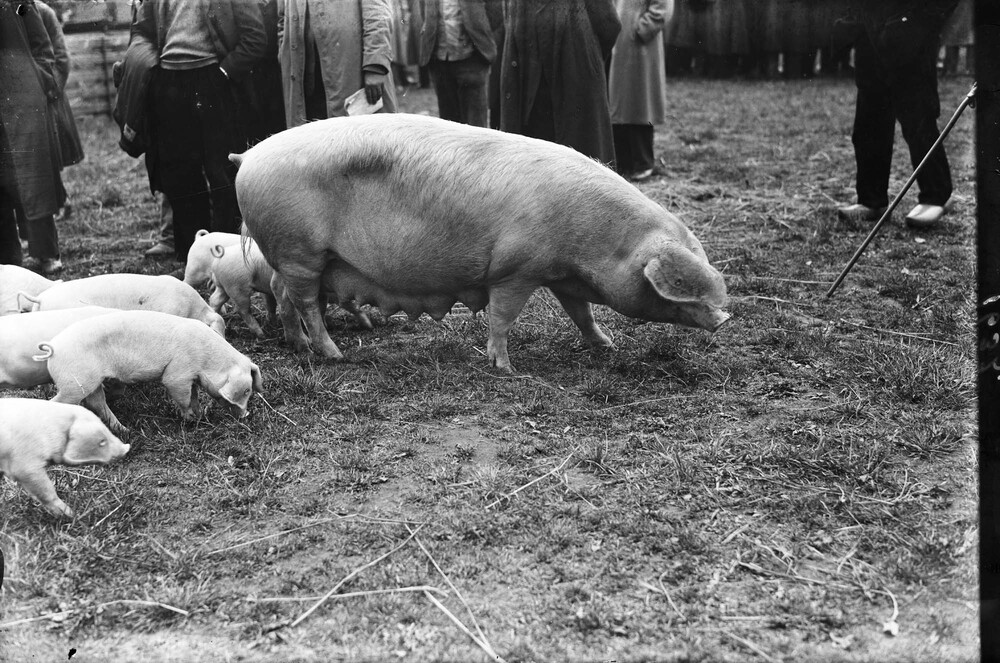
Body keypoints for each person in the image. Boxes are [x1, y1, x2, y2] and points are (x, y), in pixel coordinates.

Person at [131, 0, 266, 263]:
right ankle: (192, 259)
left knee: (223, 174)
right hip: (169, 82)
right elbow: (141, 30)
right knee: (179, 176)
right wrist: (147, 65)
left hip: (213, 80)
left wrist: (224, 73)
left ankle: (231, 259)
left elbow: (255, 38)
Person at [837, 0, 959, 229]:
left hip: (912, 25)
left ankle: (936, 196)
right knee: (869, 117)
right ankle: (871, 199)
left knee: (917, 114)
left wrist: (922, 22)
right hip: (870, 26)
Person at [498, 0, 621, 167]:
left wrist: (588, 60)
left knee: (581, 163)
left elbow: (609, 25)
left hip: (572, 80)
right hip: (530, 87)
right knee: (533, 160)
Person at [0, 0, 65, 273]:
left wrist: (38, 79)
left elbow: (42, 46)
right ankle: (7, 260)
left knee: (32, 179)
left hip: (22, 100)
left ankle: (45, 253)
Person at [278, 0, 397, 126]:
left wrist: (375, 66)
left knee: (358, 131)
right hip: (304, 81)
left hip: (350, 73)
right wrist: (283, 52)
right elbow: (282, 18)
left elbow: (378, 13)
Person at [609, 0, 672, 182]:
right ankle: (625, 163)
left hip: (641, 47)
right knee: (621, 106)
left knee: (641, 104)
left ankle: (642, 163)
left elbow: (662, 8)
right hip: (621, 44)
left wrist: (641, 29)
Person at [418, 0, 500, 127]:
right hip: (440, 60)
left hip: (472, 59)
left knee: (475, 124)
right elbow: (424, 11)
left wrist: (481, 33)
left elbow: (496, 14)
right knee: (449, 124)